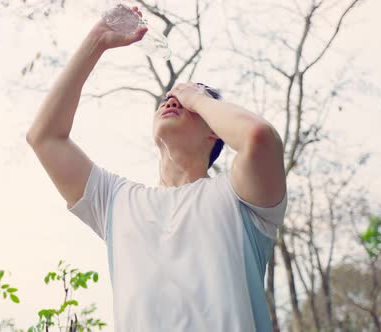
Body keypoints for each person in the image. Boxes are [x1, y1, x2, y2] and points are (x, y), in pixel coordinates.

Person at [26, 6, 287, 332]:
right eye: (169, 98)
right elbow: (44, 137)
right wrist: (97, 41)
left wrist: (196, 95)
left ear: (215, 131)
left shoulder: (239, 197)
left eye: (189, 104)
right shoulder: (116, 202)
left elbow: (258, 136)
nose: (173, 100)